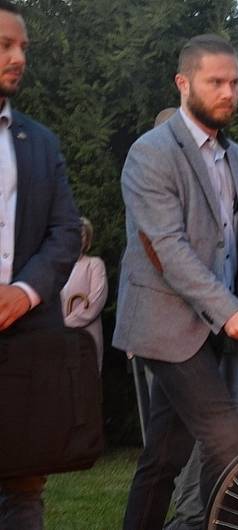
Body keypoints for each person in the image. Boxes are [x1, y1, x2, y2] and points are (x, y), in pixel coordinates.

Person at [113, 34, 238, 530]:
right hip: (166, 327)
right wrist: (230, 310)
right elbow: (167, 249)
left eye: (235, 82)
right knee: (227, 439)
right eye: (216, 82)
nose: (228, 92)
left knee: (164, 456)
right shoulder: (152, 153)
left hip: (218, 330)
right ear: (183, 83)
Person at [0, 2, 82, 528]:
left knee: (24, 493)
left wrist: (26, 291)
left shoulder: (38, 140)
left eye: (23, 47)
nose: (18, 57)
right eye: (6, 45)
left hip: (23, 343)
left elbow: (65, 231)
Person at [60, 217, 108, 372]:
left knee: (86, 386)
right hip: (60, 341)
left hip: (86, 339)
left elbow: (95, 301)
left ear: (87, 240)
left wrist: (65, 323)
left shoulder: (94, 264)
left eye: (82, 235)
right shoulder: (57, 267)